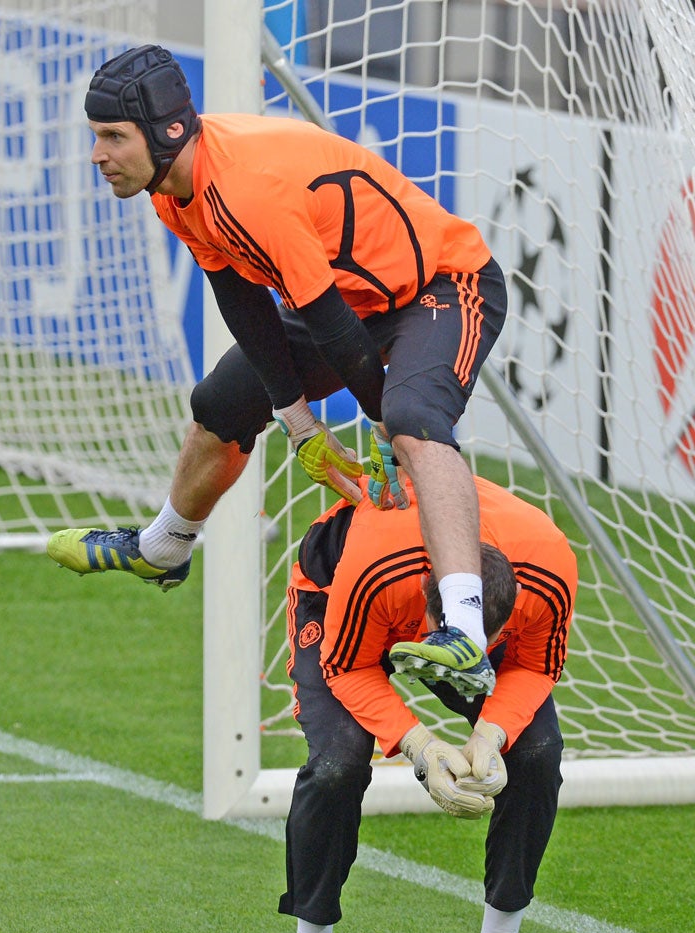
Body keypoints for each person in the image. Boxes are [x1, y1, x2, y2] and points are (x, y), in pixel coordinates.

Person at [46, 43, 508, 694]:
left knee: (411, 421)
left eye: (113, 137)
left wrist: (375, 430)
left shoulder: (247, 190)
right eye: (96, 137)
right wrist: (299, 425)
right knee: (222, 402)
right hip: (353, 303)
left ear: (169, 131)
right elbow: (241, 298)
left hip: (443, 283)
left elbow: (332, 327)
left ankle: (464, 633)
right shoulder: (171, 187)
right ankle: (163, 548)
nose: (98, 156)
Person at [263, 473, 578, 933]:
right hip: (340, 595)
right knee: (337, 761)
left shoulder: (547, 570)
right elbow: (349, 667)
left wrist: (491, 732)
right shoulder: (382, 571)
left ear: (504, 621)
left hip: (439, 599)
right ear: (429, 606)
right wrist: (423, 749)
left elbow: (534, 665)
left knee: (537, 751)